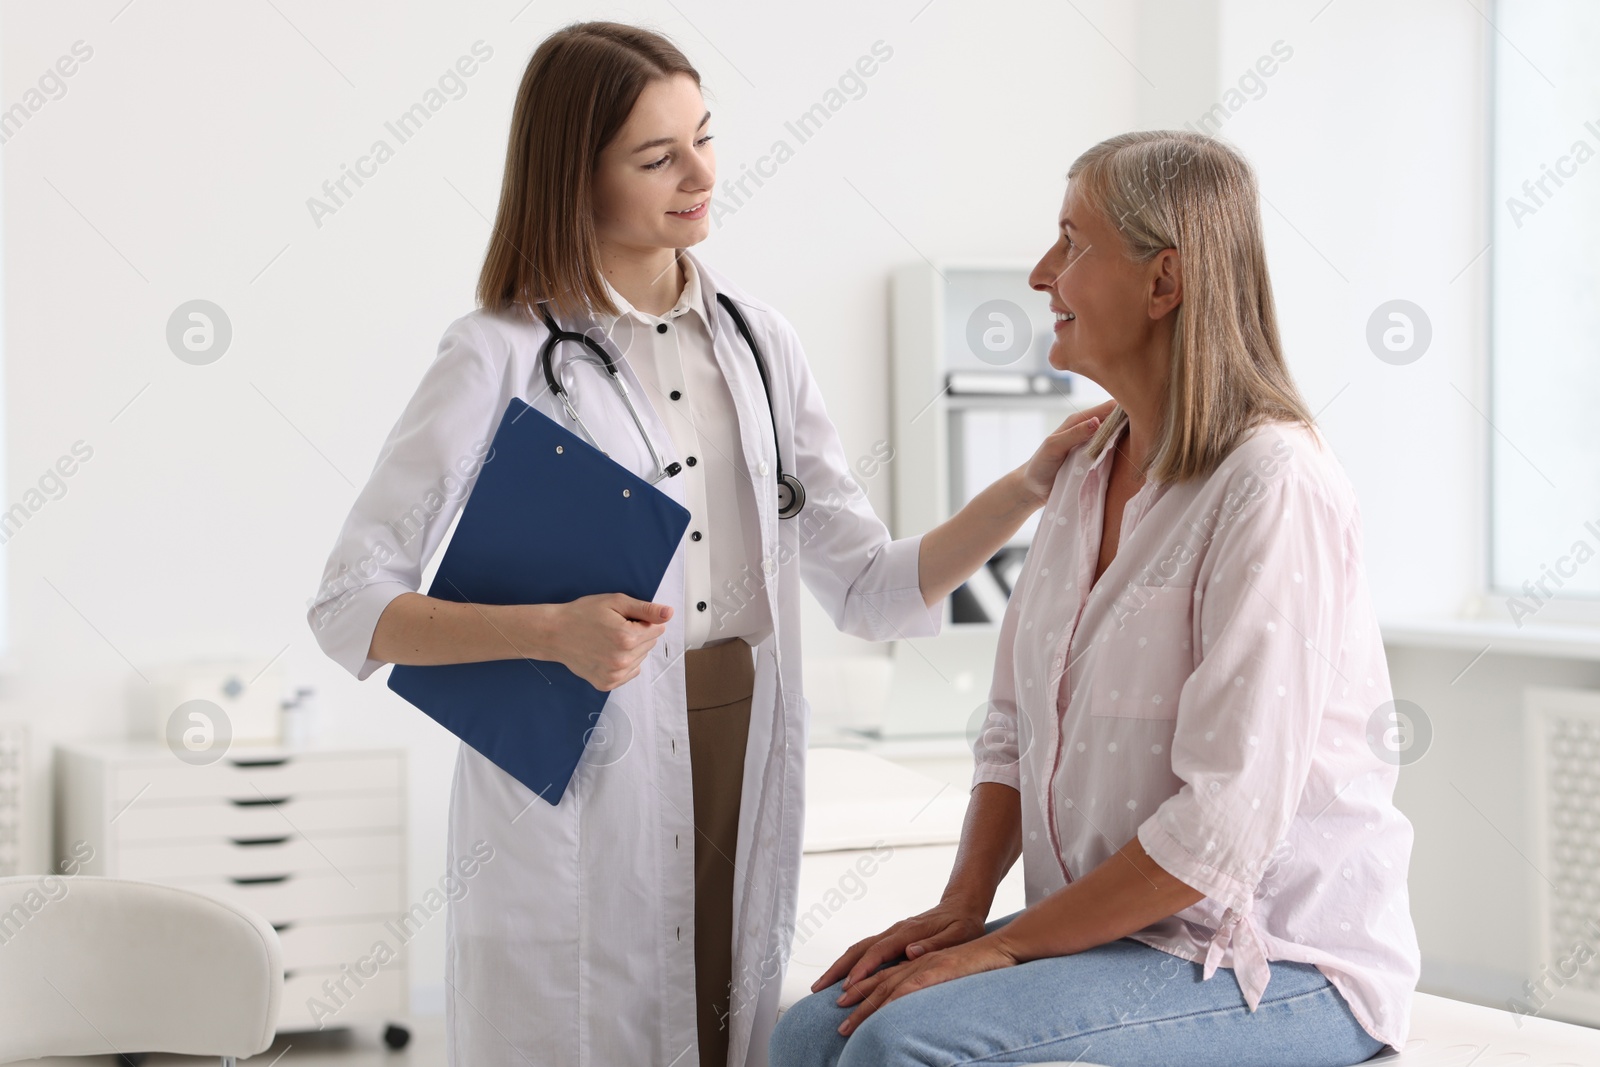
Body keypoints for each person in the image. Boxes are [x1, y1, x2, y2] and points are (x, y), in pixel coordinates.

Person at [305, 22, 1109, 1067]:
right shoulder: (496, 352)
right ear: (574, 178)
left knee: (719, 1028)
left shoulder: (760, 344)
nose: (700, 174)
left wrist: (1026, 485)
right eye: (655, 156)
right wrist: (551, 632)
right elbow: (349, 606)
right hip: (586, 752)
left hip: (740, 730)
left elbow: (868, 587)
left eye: (704, 136)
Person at [771, 130, 1421, 1067]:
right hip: (1116, 941)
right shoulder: (1085, 468)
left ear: (1165, 284)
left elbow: (1221, 826)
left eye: (1072, 243)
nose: (1042, 274)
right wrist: (962, 907)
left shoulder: (1272, 482)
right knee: (810, 1027)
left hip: (1273, 963)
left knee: (901, 1045)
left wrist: (1000, 944)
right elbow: (1010, 727)